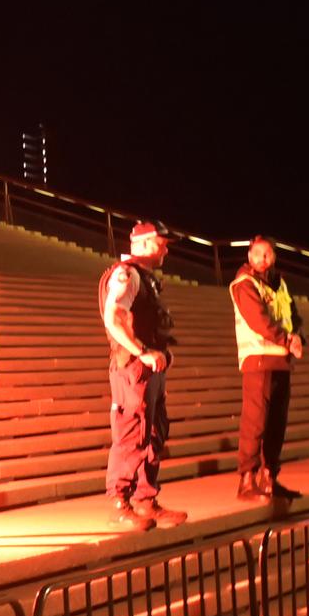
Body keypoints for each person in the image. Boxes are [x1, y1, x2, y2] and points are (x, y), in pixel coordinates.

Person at [99, 220, 189, 531]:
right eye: (161, 242)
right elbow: (113, 317)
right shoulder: (127, 275)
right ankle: (120, 502)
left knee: (153, 433)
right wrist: (141, 351)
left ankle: (145, 499)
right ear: (143, 243)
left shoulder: (144, 278)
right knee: (132, 434)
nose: (166, 248)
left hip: (148, 369)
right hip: (133, 368)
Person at [230, 236, 305, 502]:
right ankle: (247, 480)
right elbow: (258, 320)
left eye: (268, 254)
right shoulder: (244, 283)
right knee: (255, 421)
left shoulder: (280, 283)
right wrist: (288, 340)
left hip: (281, 361)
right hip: (258, 359)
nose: (264, 259)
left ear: (274, 256)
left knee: (276, 423)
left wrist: (297, 336)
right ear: (249, 257)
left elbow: (293, 316)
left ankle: (270, 478)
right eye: (258, 254)